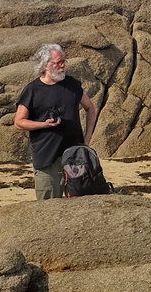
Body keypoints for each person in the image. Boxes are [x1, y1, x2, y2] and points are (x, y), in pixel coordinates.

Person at [13, 44, 98, 200]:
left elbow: (90, 108)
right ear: (45, 65)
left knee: (80, 207)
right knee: (47, 210)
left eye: (64, 61)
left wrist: (87, 139)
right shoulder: (32, 90)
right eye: (58, 62)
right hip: (47, 160)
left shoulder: (72, 85)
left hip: (75, 157)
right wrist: (43, 124)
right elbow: (19, 122)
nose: (63, 65)